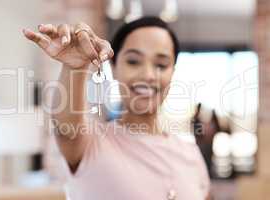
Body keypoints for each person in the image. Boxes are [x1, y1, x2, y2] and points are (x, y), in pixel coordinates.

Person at [23, 16, 211, 200]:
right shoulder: (91, 143)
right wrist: (75, 68)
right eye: (133, 61)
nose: (148, 75)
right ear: (113, 68)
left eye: (161, 64)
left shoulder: (191, 154)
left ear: (173, 73)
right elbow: (66, 130)